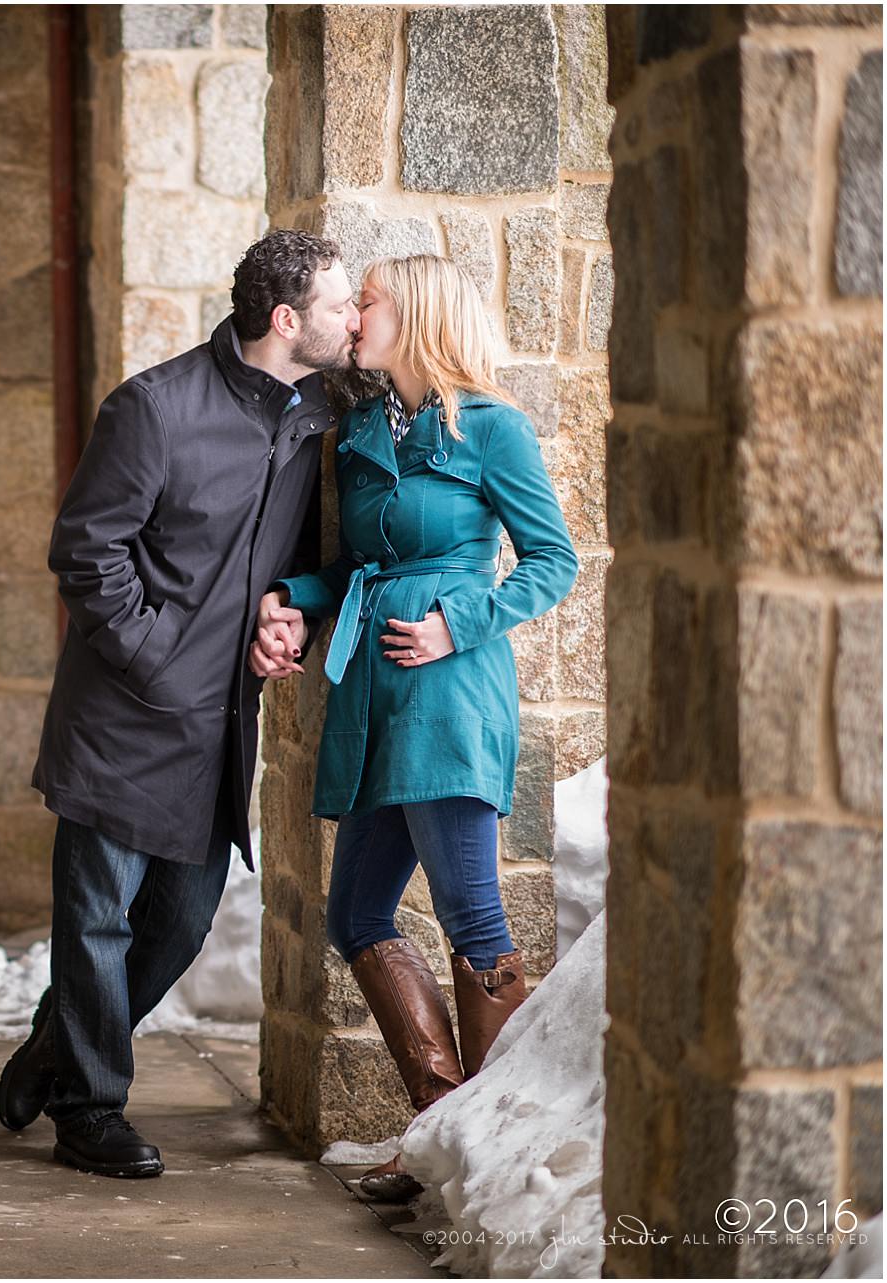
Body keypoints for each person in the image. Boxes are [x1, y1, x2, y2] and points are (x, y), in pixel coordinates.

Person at [0, 229, 357, 1178]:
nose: (352, 316)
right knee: (99, 915)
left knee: (181, 922)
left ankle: (51, 1048)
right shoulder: (153, 409)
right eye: (337, 303)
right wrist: (157, 658)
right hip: (122, 712)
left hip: (219, 726)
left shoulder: (316, 415)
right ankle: (88, 1108)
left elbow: (296, 567)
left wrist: (290, 624)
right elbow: (85, 553)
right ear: (286, 321)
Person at [251, 253, 580, 1201]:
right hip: (372, 704)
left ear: (420, 314)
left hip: (449, 699)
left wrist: (456, 622)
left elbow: (552, 561)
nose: (356, 314)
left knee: (475, 923)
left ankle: (492, 1158)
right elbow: (352, 563)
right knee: (355, 913)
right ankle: (444, 1135)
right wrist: (289, 598)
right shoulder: (358, 430)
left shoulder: (492, 426)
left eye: (372, 301)